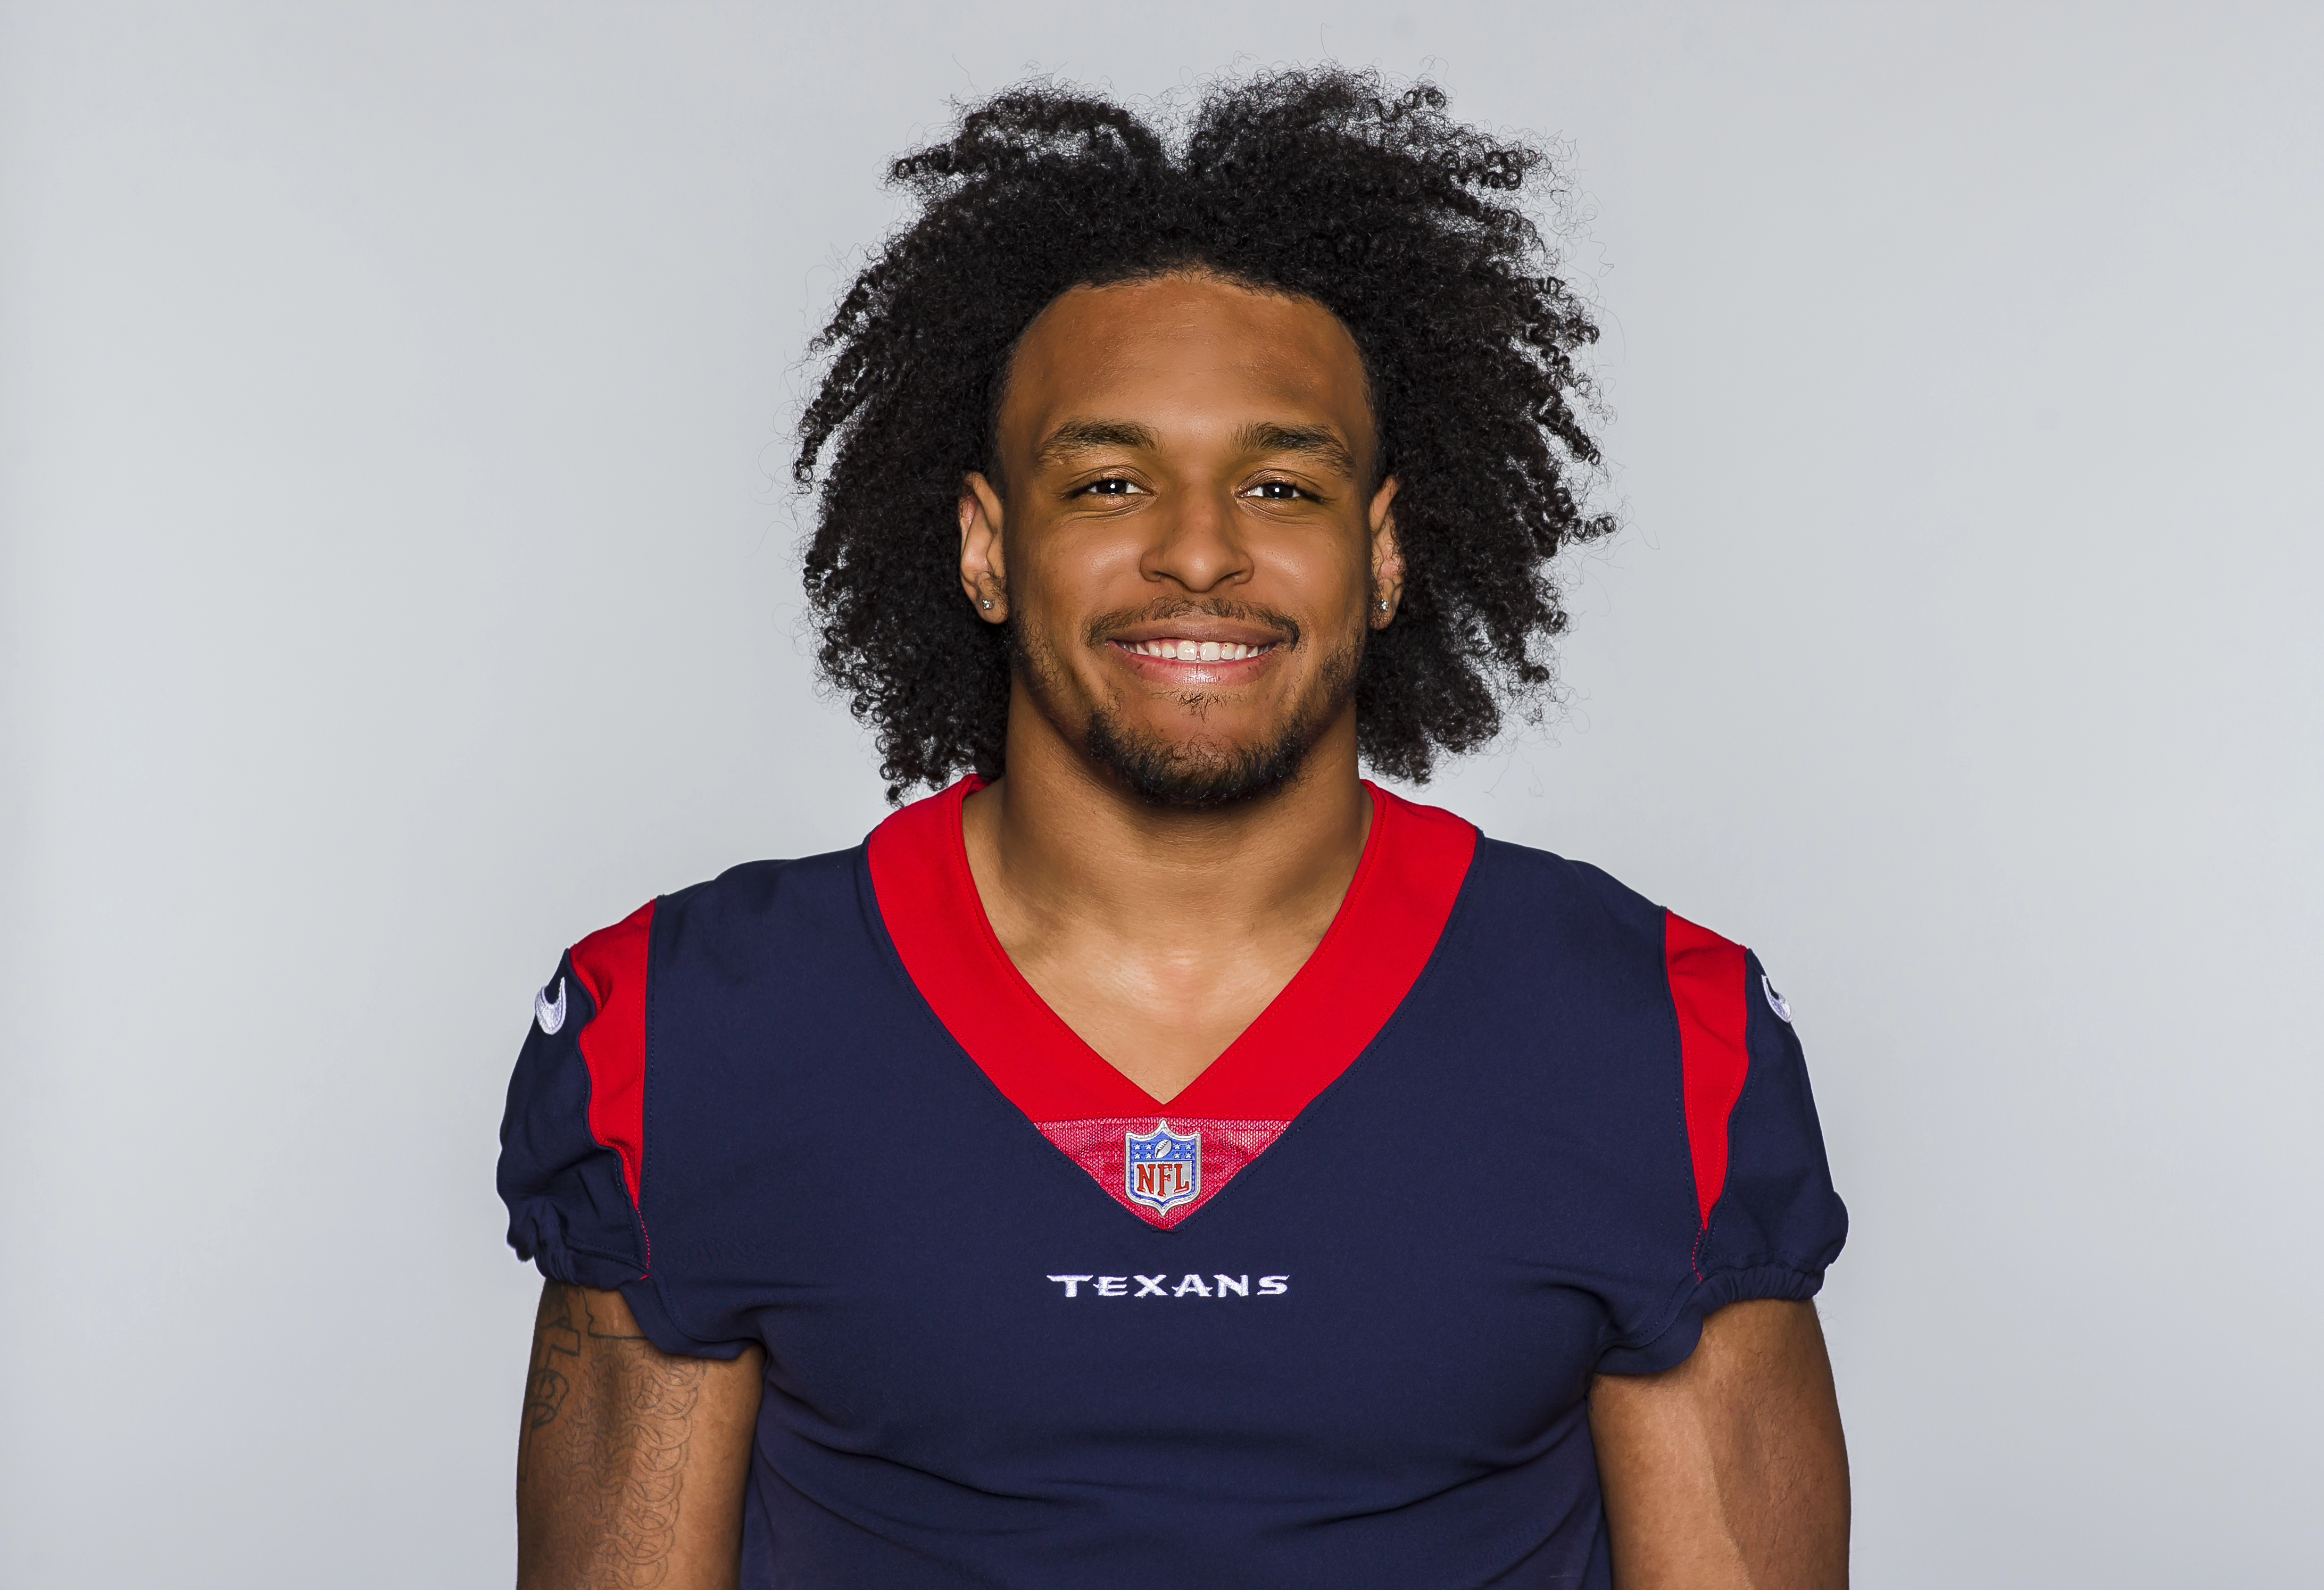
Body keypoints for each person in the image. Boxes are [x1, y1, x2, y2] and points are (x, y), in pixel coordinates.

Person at [499, 68, 1849, 1590]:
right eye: (1110, 480)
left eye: (1277, 483)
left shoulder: (1652, 1032)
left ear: (1384, 551)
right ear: (987, 545)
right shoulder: (685, 1028)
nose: (1197, 552)